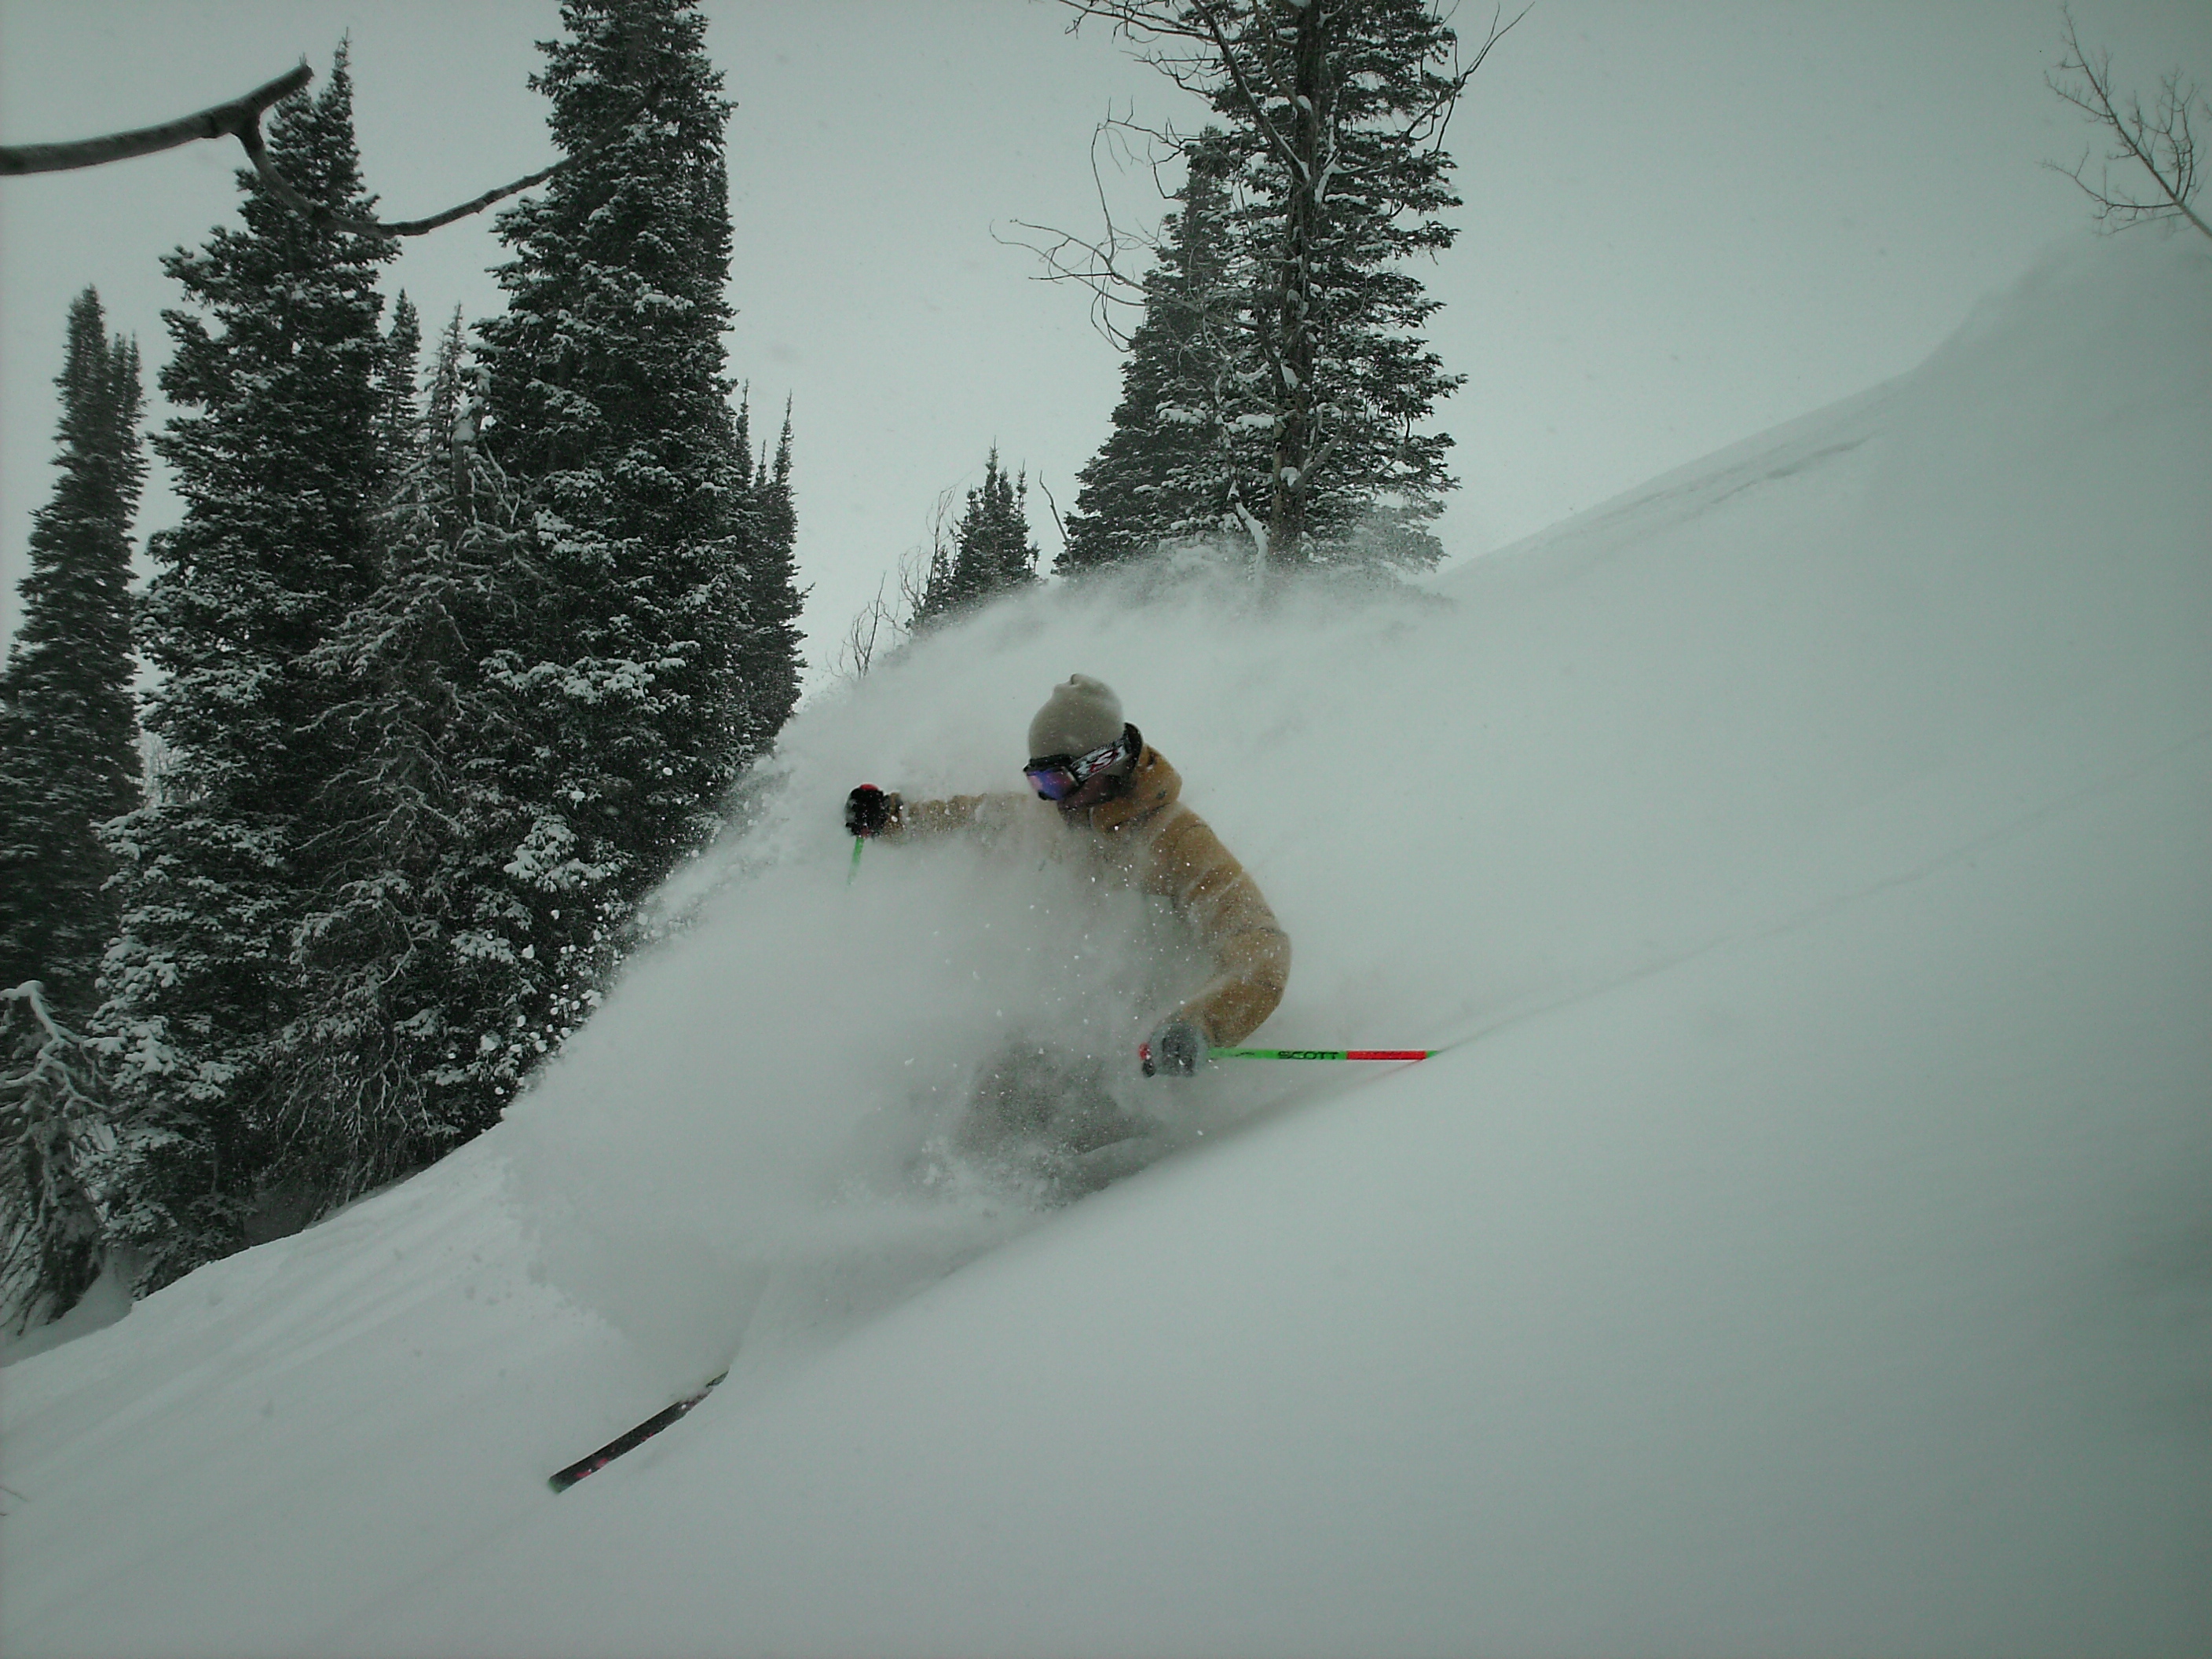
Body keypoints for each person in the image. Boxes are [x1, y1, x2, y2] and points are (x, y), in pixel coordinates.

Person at [844, 674, 1290, 1193]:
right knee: (962, 1092)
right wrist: (890, 817)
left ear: (1100, 765)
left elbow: (1261, 945)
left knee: (1037, 1133)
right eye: (1038, 785)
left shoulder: (1178, 841)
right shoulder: (1054, 820)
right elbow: (968, 817)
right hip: (1060, 1029)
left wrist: (1203, 1023)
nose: (1048, 800)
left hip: (1140, 1056)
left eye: (1055, 784)